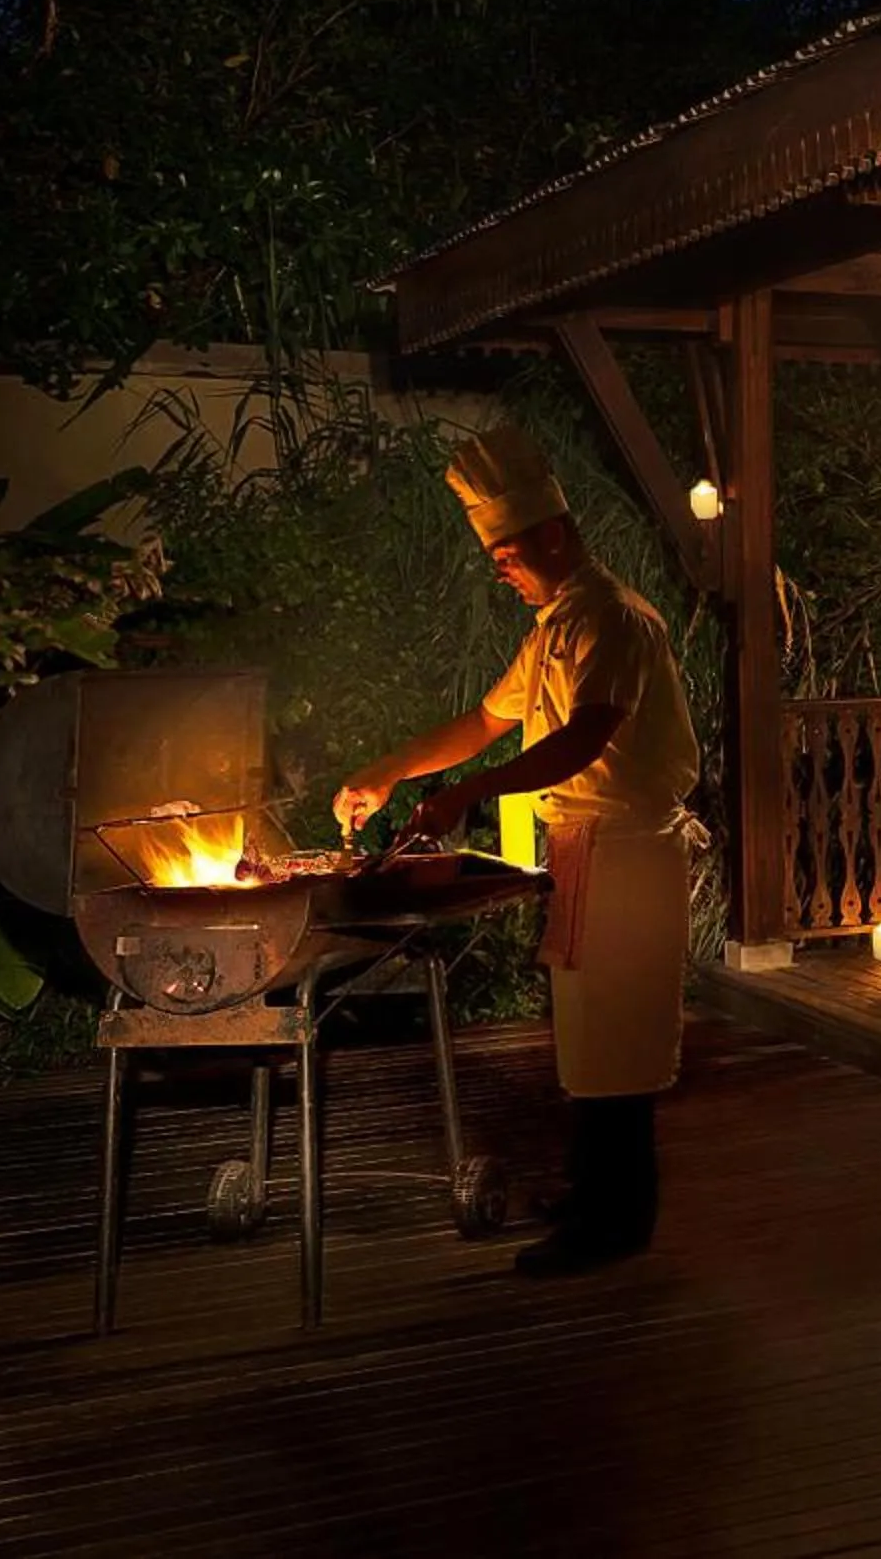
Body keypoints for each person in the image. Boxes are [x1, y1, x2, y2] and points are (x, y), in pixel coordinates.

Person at [337, 426, 701, 1278]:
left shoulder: (612, 619)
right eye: (492, 552)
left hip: (631, 850)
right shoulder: (553, 628)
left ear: (553, 536)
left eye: (506, 550)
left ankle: (614, 1224)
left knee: (619, 1039)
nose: (498, 565)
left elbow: (583, 740)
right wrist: (386, 773)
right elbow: (482, 723)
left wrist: (471, 794)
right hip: (588, 849)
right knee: (586, 1033)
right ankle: (594, 1198)